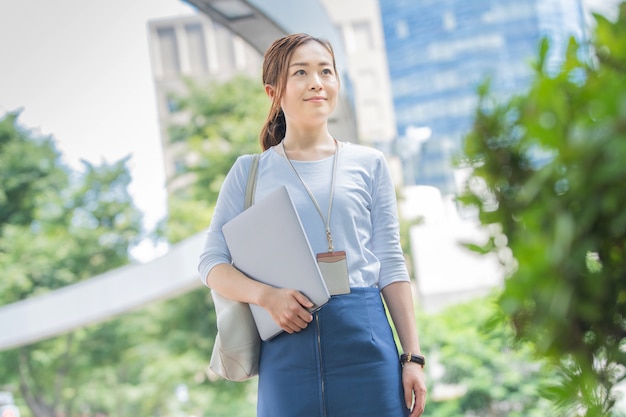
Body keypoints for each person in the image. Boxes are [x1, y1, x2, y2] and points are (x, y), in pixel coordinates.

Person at [198, 33, 427, 417]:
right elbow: (211, 264)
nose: (317, 82)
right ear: (274, 92)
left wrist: (413, 358)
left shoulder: (369, 163)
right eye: (300, 72)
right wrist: (266, 296)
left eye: (325, 71)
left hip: (367, 344)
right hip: (287, 350)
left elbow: (390, 262)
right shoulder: (248, 172)